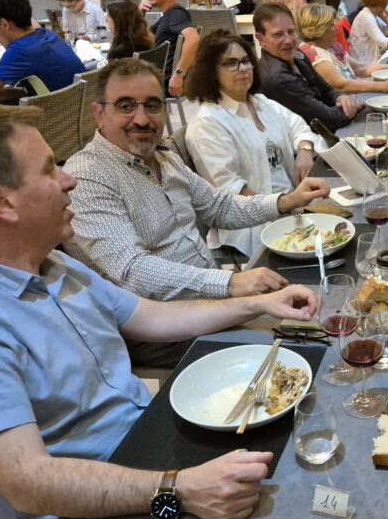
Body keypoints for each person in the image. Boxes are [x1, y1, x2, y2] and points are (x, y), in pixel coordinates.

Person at [0, 104, 319, 519]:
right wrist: (179, 489)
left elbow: (152, 318)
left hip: (145, 449)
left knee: (310, 436)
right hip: (77, 513)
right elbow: (29, 483)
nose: (68, 180)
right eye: (49, 169)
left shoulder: (52, 265)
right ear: (3, 202)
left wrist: (259, 304)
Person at [62, 58, 329, 366]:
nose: (142, 119)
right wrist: (230, 283)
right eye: (125, 106)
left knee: (325, 305)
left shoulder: (163, 158)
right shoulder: (87, 177)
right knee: (307, 346)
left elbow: (218, 206)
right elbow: (132, 272)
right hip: (162, 331)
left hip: (213, 301)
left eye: (152, 106)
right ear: (99, 112)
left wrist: (286, 201)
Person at [185, 31, 329, 257]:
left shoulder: (259, 102)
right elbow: (231, 192)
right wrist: (286, 204)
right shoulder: (208, 122)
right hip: (251, 229)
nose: (243, 68)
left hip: (291, 208)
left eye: (246, 61)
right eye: (231, 63)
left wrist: (304, 151)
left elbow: (298, 126)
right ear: (210, 71)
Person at [255, 3, 360, 131]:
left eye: (291, 32)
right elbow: (328, 120)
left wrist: (340, 97)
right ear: (260, 39)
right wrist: (354, 107)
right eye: (278, 35)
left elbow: (326, 89)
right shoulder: (278, 78)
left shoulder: (296, 54)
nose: (289, 40)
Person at [0, 0, 86, 103]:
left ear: (4, 24)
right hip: (80, 108)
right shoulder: (48, 35)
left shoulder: (20, 51)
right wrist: (0, 37)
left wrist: (22, 92)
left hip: (56, 112)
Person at [297, 3, 388, 93]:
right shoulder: (315, 56)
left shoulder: (329, 47)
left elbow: (360, 68)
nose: (336, 28)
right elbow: (343, 85)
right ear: (319, 30)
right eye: (331, 25)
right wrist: (383, 86)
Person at [139, 0, 200, 97]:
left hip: (162, 80)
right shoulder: (167, 15)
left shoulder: (176, 14)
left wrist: (178, 74)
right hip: (156, 75)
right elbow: (147, 39)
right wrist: (140, 17)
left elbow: (193, 38)